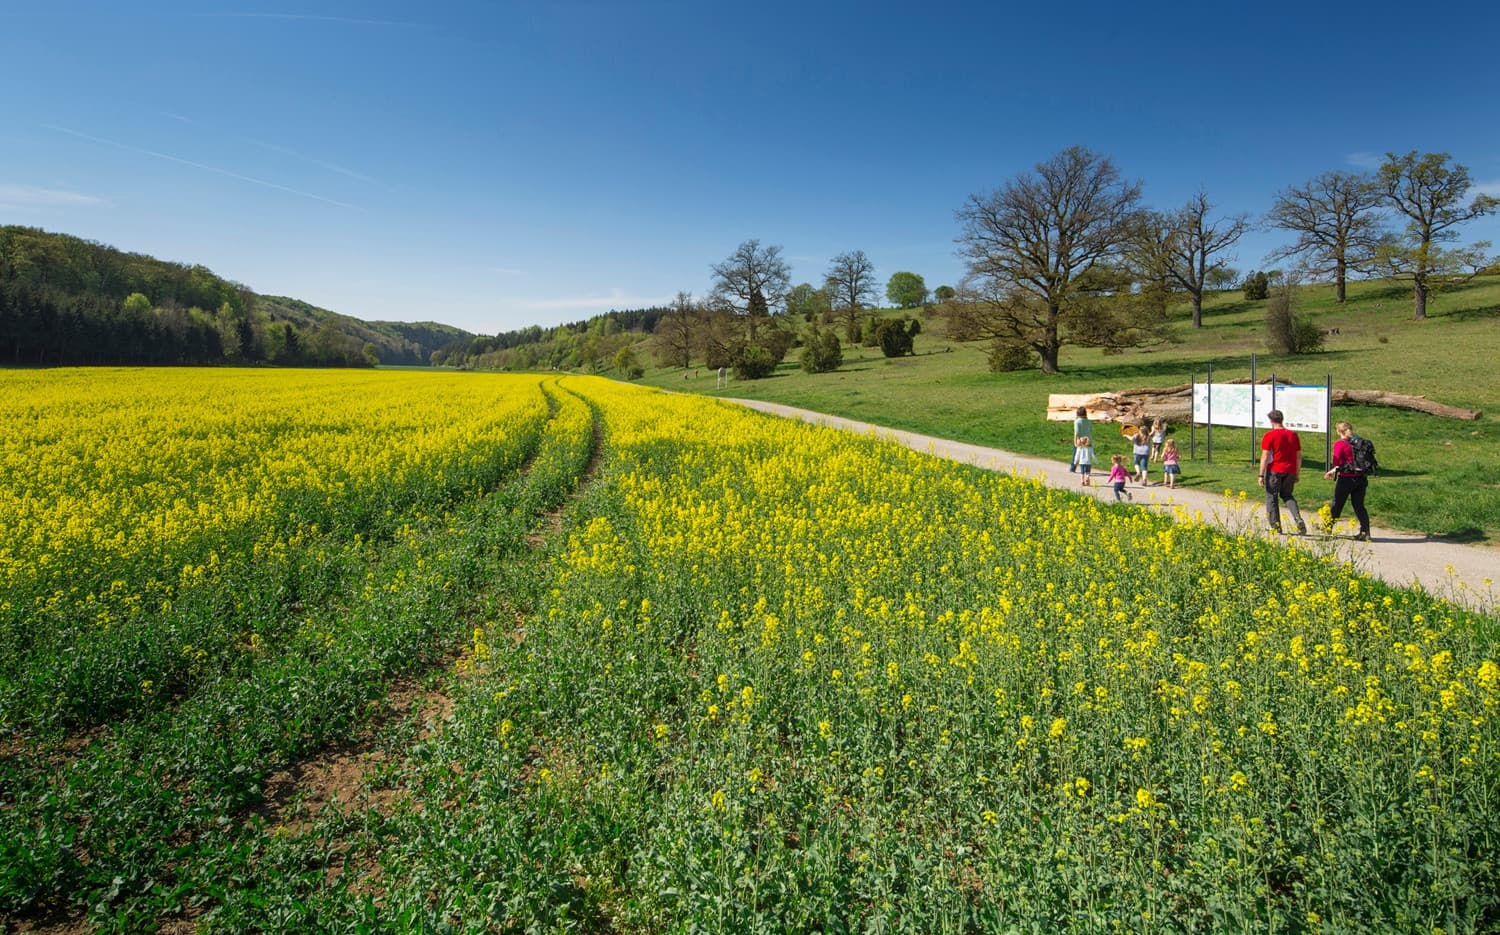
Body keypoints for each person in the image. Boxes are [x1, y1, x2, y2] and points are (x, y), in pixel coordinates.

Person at [1258, 409, 1307, 535]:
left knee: (1272, 497)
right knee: (1287, 495)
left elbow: (1265, 456)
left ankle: (1275, 526)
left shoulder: (1269, 435)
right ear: (1282, 419)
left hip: (1274, 469)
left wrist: (1261, 475)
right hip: (1290, 470)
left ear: (1271, 421)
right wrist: (1297, 473)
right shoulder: (1293, 435)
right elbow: (1298, 456)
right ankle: (1298, 518)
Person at [1323, 420, 1372, 541]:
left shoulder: (1340, 444)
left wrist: (1333, 470)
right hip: (1361, 478)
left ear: (1338, 431)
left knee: (1337, 504)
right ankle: (1365, 532)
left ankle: (1327, 530)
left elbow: (1337, 462)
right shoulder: (1359, 443)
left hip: (1346, 479)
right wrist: (1334, 471)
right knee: (1359, 506)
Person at [1070, 406, 1092, 473]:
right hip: (1088, 440)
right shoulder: (1089, 421)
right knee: (1087, 455)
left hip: (1080, 440)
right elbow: (1089, 431)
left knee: (1076, 454)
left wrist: (1075, 442)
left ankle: (1073, 468)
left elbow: (1076, 432)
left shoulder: (1077, 421)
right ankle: (1087, 470)